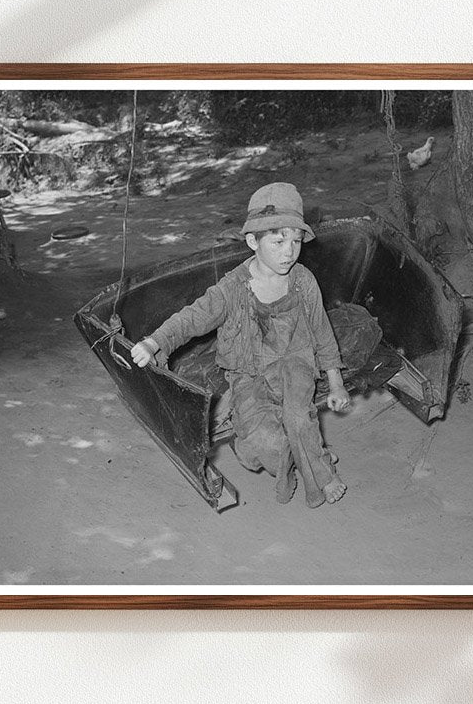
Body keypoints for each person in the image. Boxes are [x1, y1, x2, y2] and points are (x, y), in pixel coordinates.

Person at [131, 182, 349, 507]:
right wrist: (154, 342)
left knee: (299, 419)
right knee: (262, 445)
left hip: (295, 367)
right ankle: (301, 456)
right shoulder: (233, 288)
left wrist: (336, 385)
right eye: (278, 241)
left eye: (296, 241)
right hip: (249, 375)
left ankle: (321, 474)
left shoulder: (303, 281)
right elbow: (193, 317)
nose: (289, 251)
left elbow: (322, 333)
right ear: (252, 241)